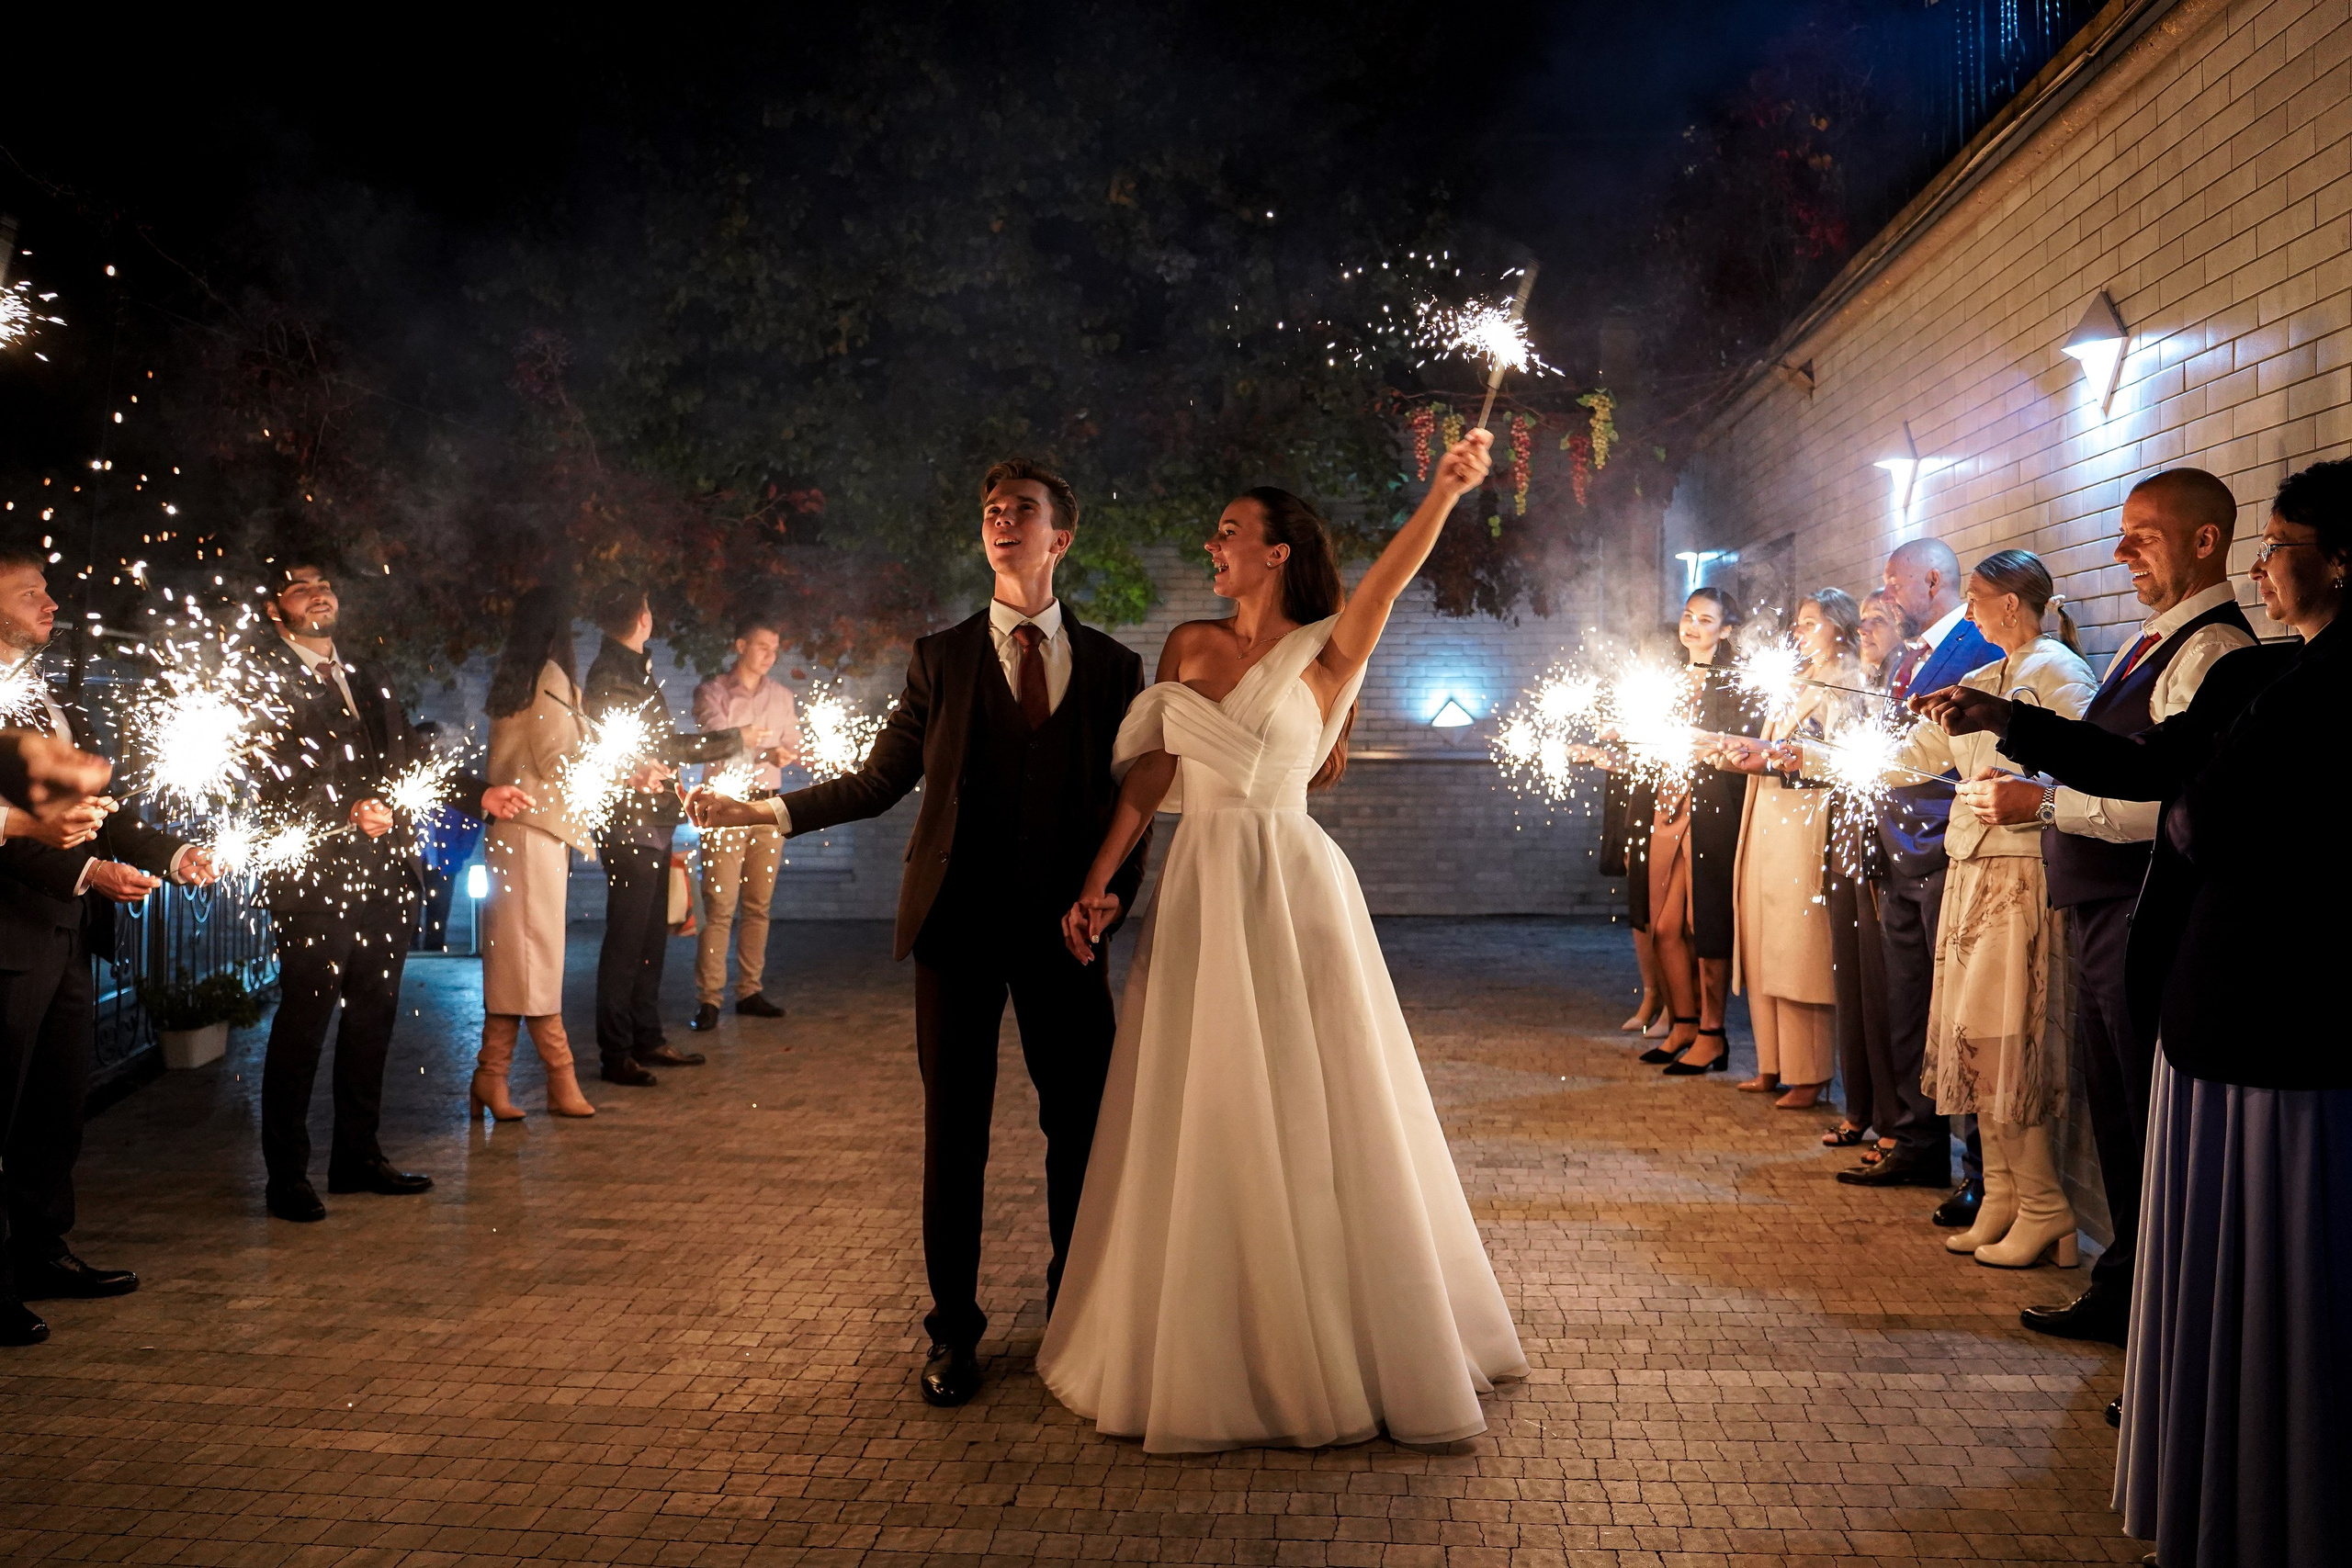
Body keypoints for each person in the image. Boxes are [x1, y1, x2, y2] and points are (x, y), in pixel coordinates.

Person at [1035, 434, 1526, 1452]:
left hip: (1293, 886)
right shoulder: (1188, 643)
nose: (1212, 545)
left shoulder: (1331, 648)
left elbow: (1389, 579)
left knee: (1315, 1093)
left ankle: (1346, 1337)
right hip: (1200, 886)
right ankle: (1211, 1337)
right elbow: (1154, 773)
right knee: (1205, 1094)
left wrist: (1444, 490)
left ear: (1276, 551)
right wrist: (1098, 880)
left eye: (1229, 532)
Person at [1918, 457, 2352, 1568]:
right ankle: (2183, 1377)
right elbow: (2156, 766)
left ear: (2340, 561)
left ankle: (2256, 1449)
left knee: (2248, 1226)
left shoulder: (2243, 661)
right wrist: (2007, 720)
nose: (2266, 564)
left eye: (2281, 546)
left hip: (2268, 1013)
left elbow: (2187, 805)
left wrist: (2068, 788)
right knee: (2146, 1152)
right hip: (2217, 993)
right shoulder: (2250, 665)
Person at [688, 458, 1149, 1409]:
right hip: (957, 928)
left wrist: (1115, 895)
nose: (1002, 519)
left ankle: (1075, 1313)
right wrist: (765, 811)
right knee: (955, 1135)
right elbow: (880, 780)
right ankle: (953, 1332)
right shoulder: (939, 658)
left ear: (1061, 537)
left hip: (1065, 936)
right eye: (991, 510)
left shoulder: (1113, 667)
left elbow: (1130, 805)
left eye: (1022, 510)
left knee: (1080, 1129)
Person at [1999, 471, 2250, 1349]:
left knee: (2146, 1113)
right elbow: (2108, 760)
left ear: (2205, 541)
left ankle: (2164, 1319)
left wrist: (2045, 805)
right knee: (2114, 1108)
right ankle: (2126, 1287)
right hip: (2101, 905)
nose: (2120, 552)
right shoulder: (2154, 640)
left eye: (2143, 535)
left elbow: (2164, 796)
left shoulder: (2211, 651)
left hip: (2142, 907)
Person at [1827, 549, 2094, 1266]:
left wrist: (2030, 794)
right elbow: (1919, 753)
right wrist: (1829, 758)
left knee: (2008, 1044)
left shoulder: (2060, 673)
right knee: (1975, 1042)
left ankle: (2046, 1206)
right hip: (1972, 871)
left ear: (2012, 603)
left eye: (1977, 597)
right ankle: (2003, 1194)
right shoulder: (1985, 677)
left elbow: (2089, 767)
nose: (1968, 609)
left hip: (2019, 874)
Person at [251, 561, 533, 1224]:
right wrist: (345, 809)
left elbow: (411, 760)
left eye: (324, 584)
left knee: (371, 1020)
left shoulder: (364, 673)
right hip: (313, 881)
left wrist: (479, 794)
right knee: (303, 1025)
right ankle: (285, 1175)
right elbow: (269, 776)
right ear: (275, 608)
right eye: (300, 587)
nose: (318, 593)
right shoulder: (262, 681)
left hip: (385, 875)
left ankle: (356, 1156)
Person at [0, 543, 216, 1347]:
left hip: (67, 934)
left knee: (55, 1107)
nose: (50, 603)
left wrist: (171, 852)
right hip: (8, 932)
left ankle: (42, 1250)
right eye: (30, 591)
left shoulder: (50, 700)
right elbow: (16, 827)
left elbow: (103, 810)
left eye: (48, 589)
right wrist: (86, 870)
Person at [1834, 537, 1999, 1204]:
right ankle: (1916, 1141)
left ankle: (1981, 1171)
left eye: (1894, 582)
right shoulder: (1910, 657)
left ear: (1933, 580)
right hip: (1894, 848)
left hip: (1941, 848)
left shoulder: (1977, 646)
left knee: (1959, 1013)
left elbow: (1955, 752)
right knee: (1906, 1004)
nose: (1887, 594)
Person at [581, 582, 742, 1088]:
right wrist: (733, 740)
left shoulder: (629, 669)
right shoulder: (613, 673)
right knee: (628, 938)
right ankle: (616, 1052)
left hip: (652, 821)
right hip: (631, 824)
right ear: (643, 619)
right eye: (648, 608)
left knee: (650, 934)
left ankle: (645, 1037)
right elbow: (657, 745)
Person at [1717, 589, 1869, 1110]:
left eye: (1810, 622)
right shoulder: (1798, 678)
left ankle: (1809, 1070)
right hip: (1767, 818)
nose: (1798, 632)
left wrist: (1769, 758)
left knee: (1798, 945)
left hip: (1804, 823)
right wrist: (1740, 751)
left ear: (1839, 626)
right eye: (1798, 623)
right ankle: (1772, 1061)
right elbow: (1776, 746)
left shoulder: (1847, 679)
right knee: (1763, 935)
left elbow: (1833, 754)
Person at [475, 585, 597, 1122]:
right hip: (535, 831)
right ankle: (559, 1076)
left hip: (513, 829)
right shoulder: (550, 678)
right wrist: (608, 761)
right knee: (536, 957)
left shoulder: (515, 678)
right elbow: (557, 759)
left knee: (515, 960)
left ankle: (491, 1075)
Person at [1818, 588, 1917, 1157]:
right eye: (1862, 621)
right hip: (1849, 841)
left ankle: (1893, 1122)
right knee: (1853, 983)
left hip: (1887, 851)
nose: (1866, 631)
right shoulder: (1860, 685)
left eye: (1878, 620)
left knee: (1884, 994)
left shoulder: (1906, 684)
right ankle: (1861, 1108)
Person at [1650, 586, 1763, 1074]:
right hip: (1670, 801)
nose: (1692, 626)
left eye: (1706, 619)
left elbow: (1746, 745)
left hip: (1713, 806)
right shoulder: (1671, 677)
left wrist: (1710, 742)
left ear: (1727, 630)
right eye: (1688, 616)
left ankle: (1712, 1033)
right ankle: (1684, 1022)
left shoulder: (1735, 681)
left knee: (1706, 921)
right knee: (1665, 925)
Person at [687, 615, 800, 1032]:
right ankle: (709, 997)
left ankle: (749, 990)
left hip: (769, 808)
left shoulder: (782, 696)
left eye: (775, 649)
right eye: (762, 646)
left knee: (758, 905)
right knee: (719, 905)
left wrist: (781, 753)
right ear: (740, 646)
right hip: (725, 806)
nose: (770, 655)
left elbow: (790, 742)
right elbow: (717, 741)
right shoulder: (712, 692)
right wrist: (751, 742)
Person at [407, 722, 481, 952]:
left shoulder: (457, 777)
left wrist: (461, 851)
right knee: (409, 908)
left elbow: (472, 819)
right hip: (412, 857)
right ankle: (409, 948)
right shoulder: (407, 777)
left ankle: (435, 946)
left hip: (445, 855)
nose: (428, 748)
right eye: (422, 743)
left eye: (433, 743)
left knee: (439, 908)